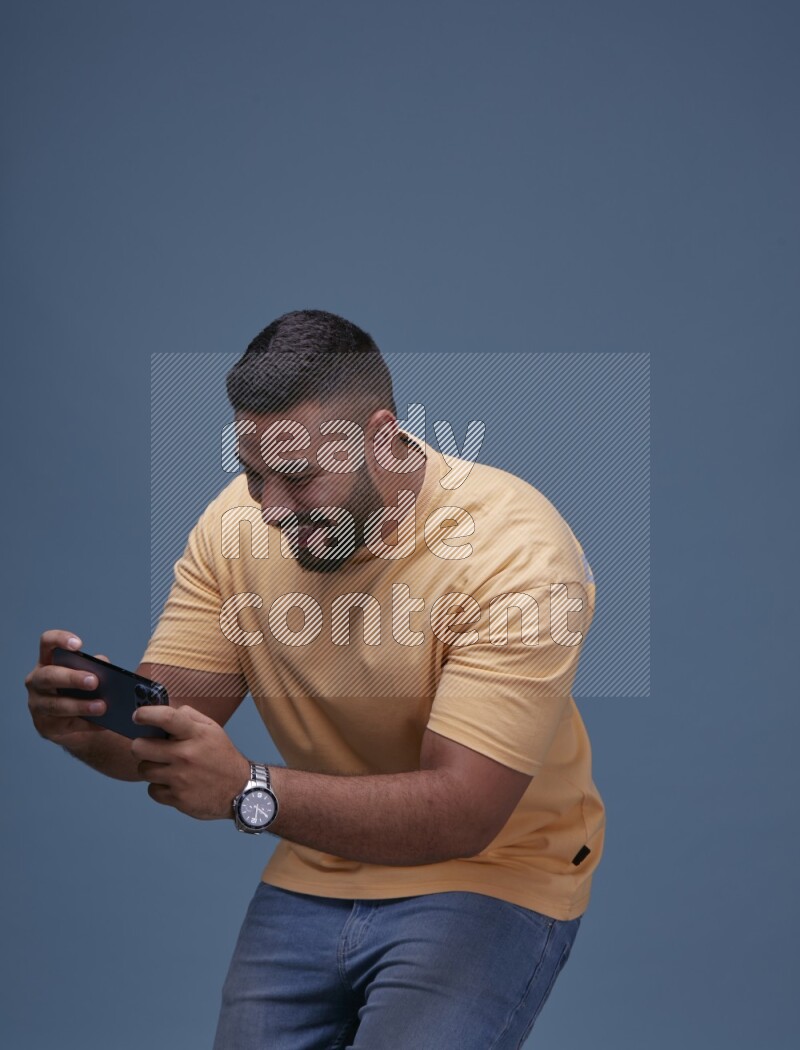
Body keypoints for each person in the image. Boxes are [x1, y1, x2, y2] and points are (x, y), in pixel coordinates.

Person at [26, 309, 605, 1049]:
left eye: (297, 477)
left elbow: (465, 811)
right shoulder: (233, 529)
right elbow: (165, 734)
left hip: (490, 871)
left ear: (380, 438)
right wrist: (86, 722)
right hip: (316, 862)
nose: (269, 509)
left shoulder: (516, 553)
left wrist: (248, 790)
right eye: (253, 474)